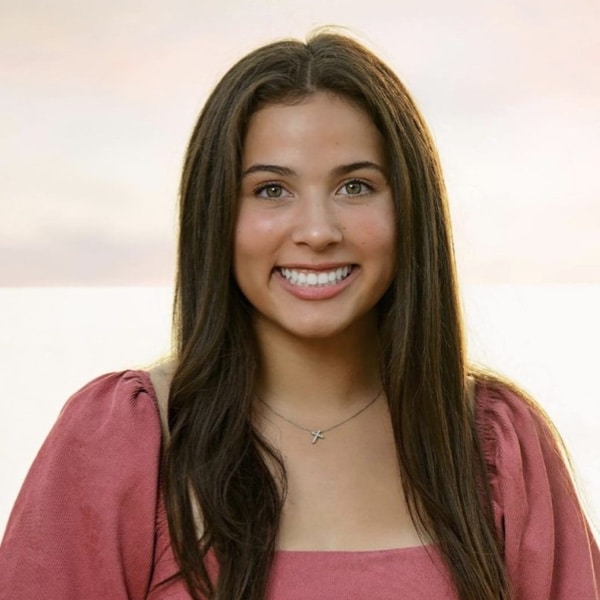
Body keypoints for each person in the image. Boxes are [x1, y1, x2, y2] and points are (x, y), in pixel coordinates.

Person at [0, 30, 598, 600]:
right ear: (217, 218)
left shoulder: (498, 448)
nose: (317, 231)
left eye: (356, 186)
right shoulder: (124, 442)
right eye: (270, 190)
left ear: (409, 208)